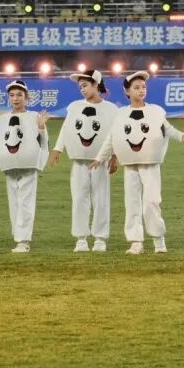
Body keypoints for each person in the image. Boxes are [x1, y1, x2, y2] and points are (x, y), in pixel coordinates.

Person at [90, 71, 184, 255]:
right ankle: (136, 241)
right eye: (136, 87)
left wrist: (182, 136)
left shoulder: (156, 111)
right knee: (132, 204)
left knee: (152, 201)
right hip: (130, 165)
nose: (141, 90)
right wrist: (100, 157)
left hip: (150, 164)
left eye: (143, 87)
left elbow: (168, 129)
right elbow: (112, 138)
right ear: (127, 92)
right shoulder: (121, 114)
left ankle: (158, 239)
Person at [49, 69, 119, 252]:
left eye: (85, 85)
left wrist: (115, 157)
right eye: (80, 86)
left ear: (96, 84)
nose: (82, 89)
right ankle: (81, 239)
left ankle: (100, 239)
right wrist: (58, 148)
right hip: (79, 162)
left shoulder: (111, 109)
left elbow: (116, 134)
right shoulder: (74, 107)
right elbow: (66, 128)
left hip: (100, 162)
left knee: (101, 199)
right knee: (79, 199)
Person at [0, 80, 49, 253]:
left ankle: (23, 240)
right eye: (12, 95)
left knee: (25, 202)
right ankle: (19, 236)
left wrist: (42, 128)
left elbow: (43, 142)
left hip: (28, 167)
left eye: (19, 95)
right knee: (14, 203)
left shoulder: (34, 116)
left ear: (27, 98)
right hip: (10, 167)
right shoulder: (2, 119)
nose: (15, 98)